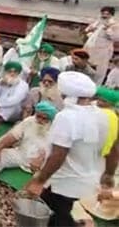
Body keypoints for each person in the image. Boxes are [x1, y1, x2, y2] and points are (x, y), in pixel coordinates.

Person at [23, 71, 112, 227]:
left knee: (55, 211)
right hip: (90, 175)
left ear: (65, 94)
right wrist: (108, 174)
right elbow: (114, 148)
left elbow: (59, 154)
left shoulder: (66, 117)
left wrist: (40, 180)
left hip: (66, 179)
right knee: (56, 206)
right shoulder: (102, 114)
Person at [0, 101, 57, 193]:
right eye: (38, 116)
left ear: (50, 119)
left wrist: (42, 159)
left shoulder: (57, 129)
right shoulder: (30, 121)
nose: (40, 120)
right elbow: (13, 136)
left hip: (43, 163)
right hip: (22, 154)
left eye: (44, 118)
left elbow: (57, 153)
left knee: (49, 183)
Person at [0, 61, 30, 131]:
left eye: (15, 72)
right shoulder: (0, 82)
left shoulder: (23, 85)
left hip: (15, 113)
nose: (12, 74)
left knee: (13, 105)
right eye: (10, 71)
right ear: (5, 72)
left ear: (19, 73)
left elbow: (15, 99)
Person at [84, 6, 119, 84]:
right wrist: (90, 29)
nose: (105, 15)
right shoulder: (97, 22)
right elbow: (87, 31)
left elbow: (116, 38)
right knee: (87, 68)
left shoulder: (115, 24)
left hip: (103, 51)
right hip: (90, 49)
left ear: (111, 15)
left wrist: (108, 29)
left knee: (99, 71)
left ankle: (97, 87)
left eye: (107, 14)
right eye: (103, 13)